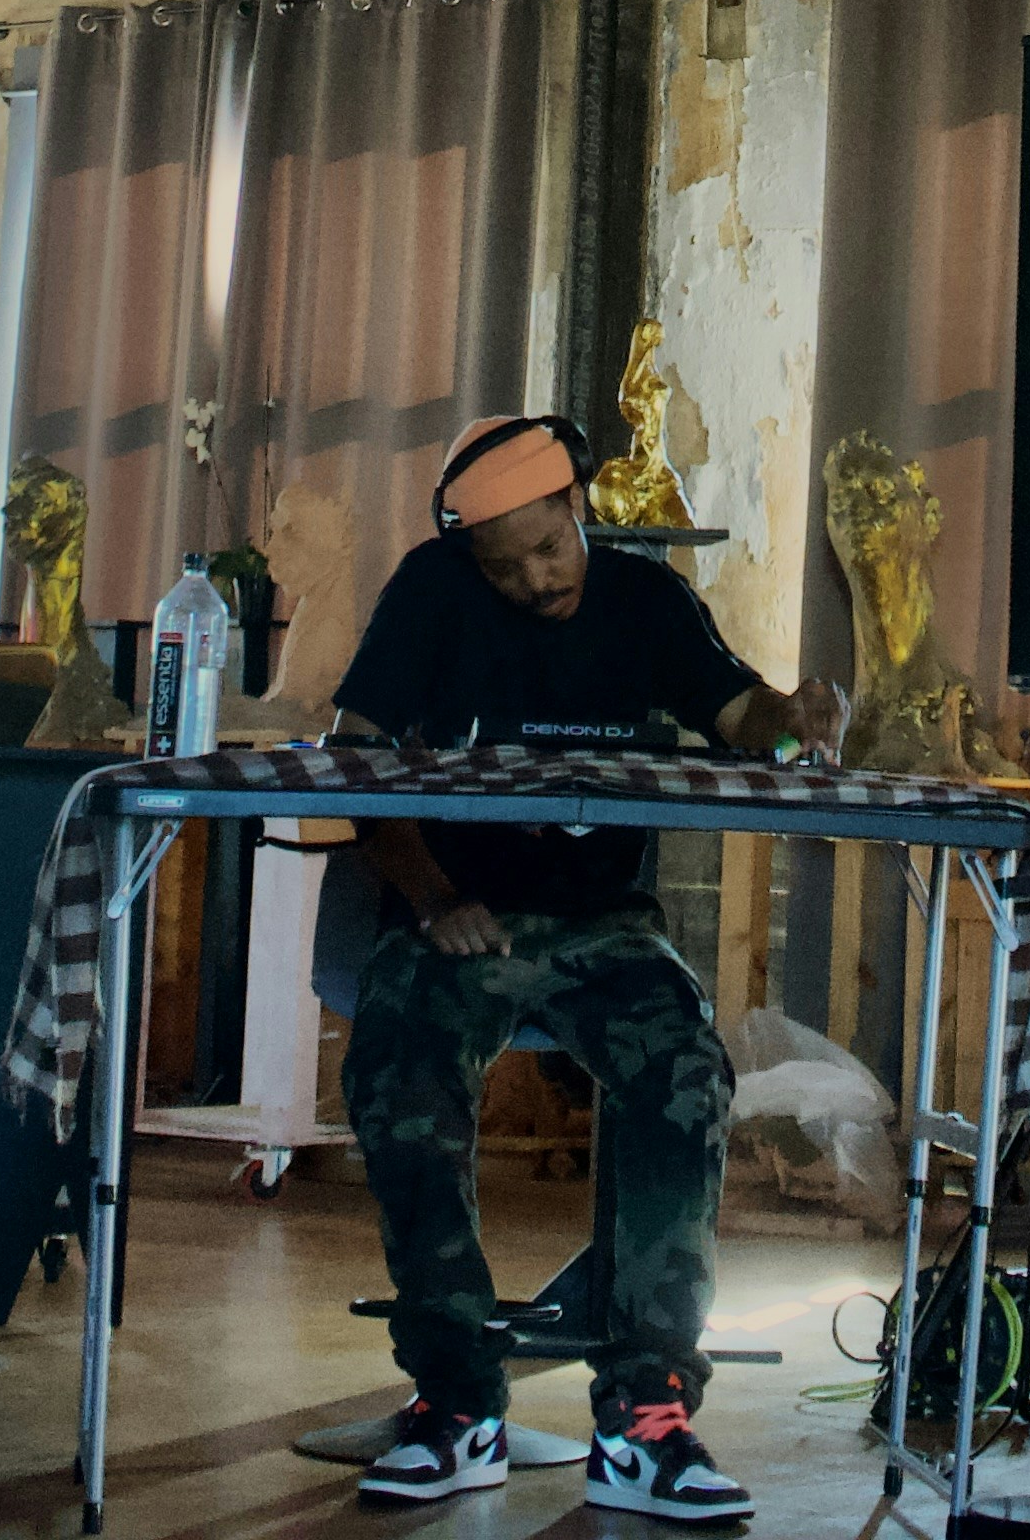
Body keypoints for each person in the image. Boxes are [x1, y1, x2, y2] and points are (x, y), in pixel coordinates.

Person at [330, 414, 844, 1518]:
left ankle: (647, 1411)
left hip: (607, 927)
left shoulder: (647, 599)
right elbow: (355, 751)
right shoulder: (428, 592)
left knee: (685, 1078)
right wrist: (432, 898)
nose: (535, 580)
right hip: (459, 916)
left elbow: (741, 713)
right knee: (403, 1072)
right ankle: (460, 1403)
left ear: (583, 513)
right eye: (505, 565)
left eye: (551, 549)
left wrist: (794, 720)